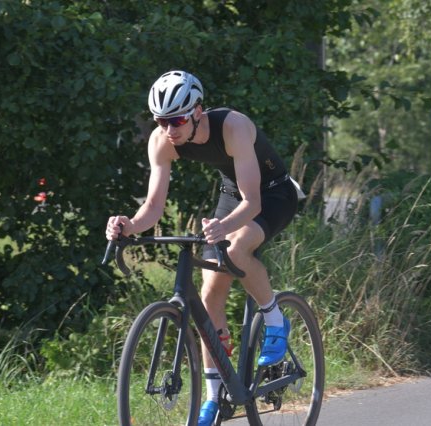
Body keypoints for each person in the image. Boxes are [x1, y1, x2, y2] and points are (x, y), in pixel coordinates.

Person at [105, 70, 299, 426]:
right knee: (209, 295)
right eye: (161, 121)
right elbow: (153, 206)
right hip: (232, 197)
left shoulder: (233, 126)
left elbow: (253, 203)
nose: (169, 129)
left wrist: (225, 227)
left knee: (237, 249)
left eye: (177, 120)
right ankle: (215, 396)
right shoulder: (162, 141)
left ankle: (275, 321)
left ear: (197, 111)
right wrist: (128, 225)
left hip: (272, 195)